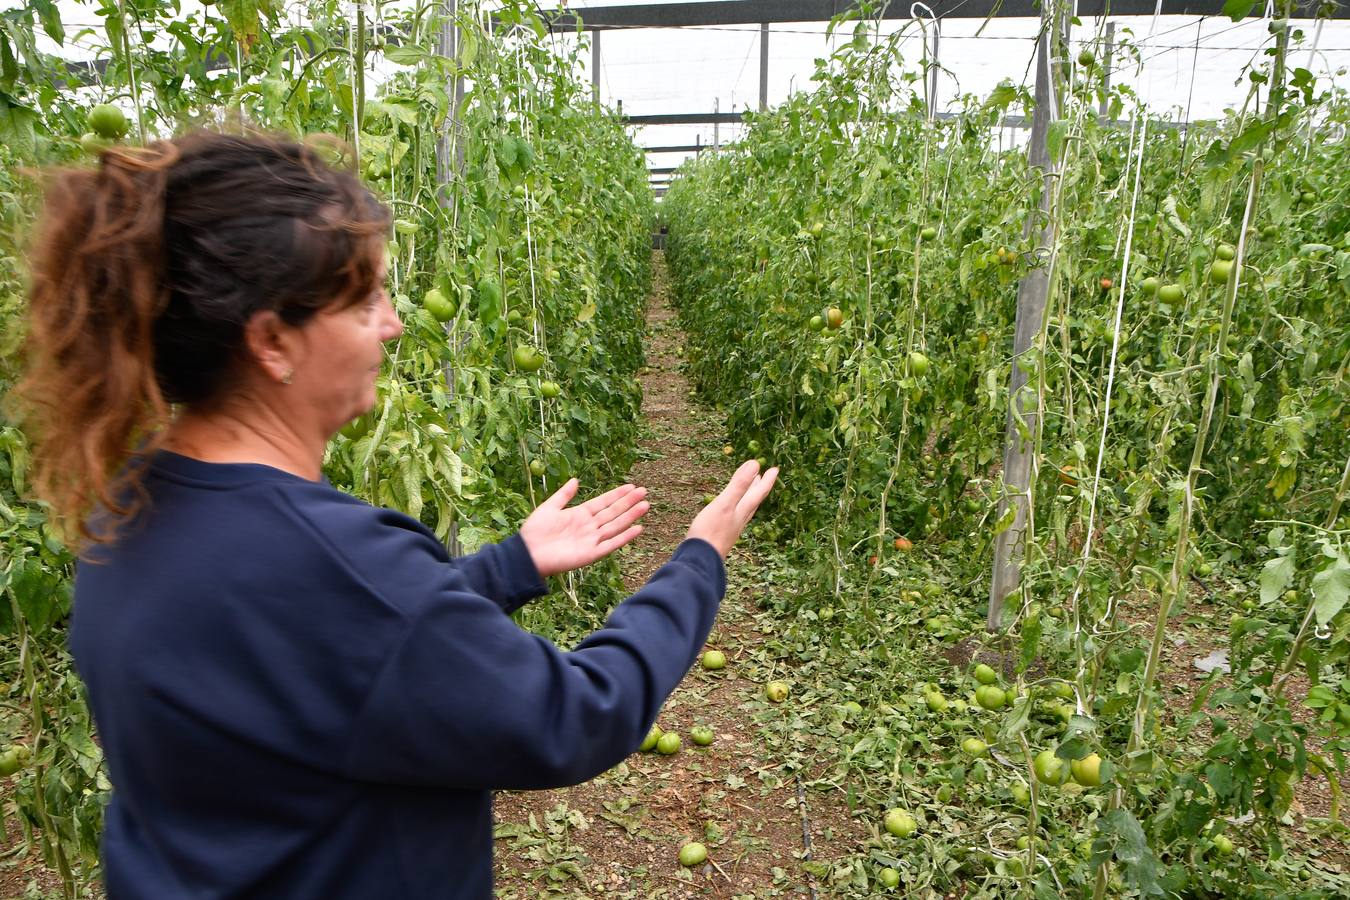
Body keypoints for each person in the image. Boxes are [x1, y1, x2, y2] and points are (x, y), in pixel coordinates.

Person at [12, 131, 778, 898]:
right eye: (366, 300)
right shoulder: (324, 559)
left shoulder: (128, 511)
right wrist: (697, 563)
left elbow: (322, 655)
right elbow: (574, 715)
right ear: (274, 340)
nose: (394, 324)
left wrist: (509, 565)